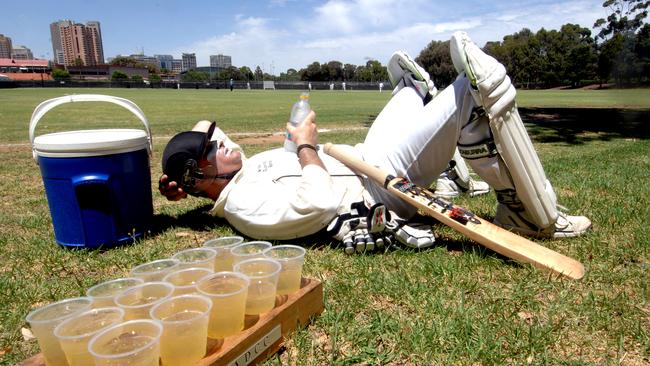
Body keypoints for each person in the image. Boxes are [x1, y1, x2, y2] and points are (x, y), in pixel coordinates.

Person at [159, 32, 591, 253]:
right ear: (203, 173)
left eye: (218, 139)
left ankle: (424, 107)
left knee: (411, 86)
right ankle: (537, 217)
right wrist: (307, 147)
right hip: (380, 184)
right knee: (476, 90)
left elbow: (200, 135)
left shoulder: (236, 172)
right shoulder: (243, 207)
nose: (225, 145)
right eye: (213, 150)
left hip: (366, 156)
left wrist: (181, 184)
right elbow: (318, 205)